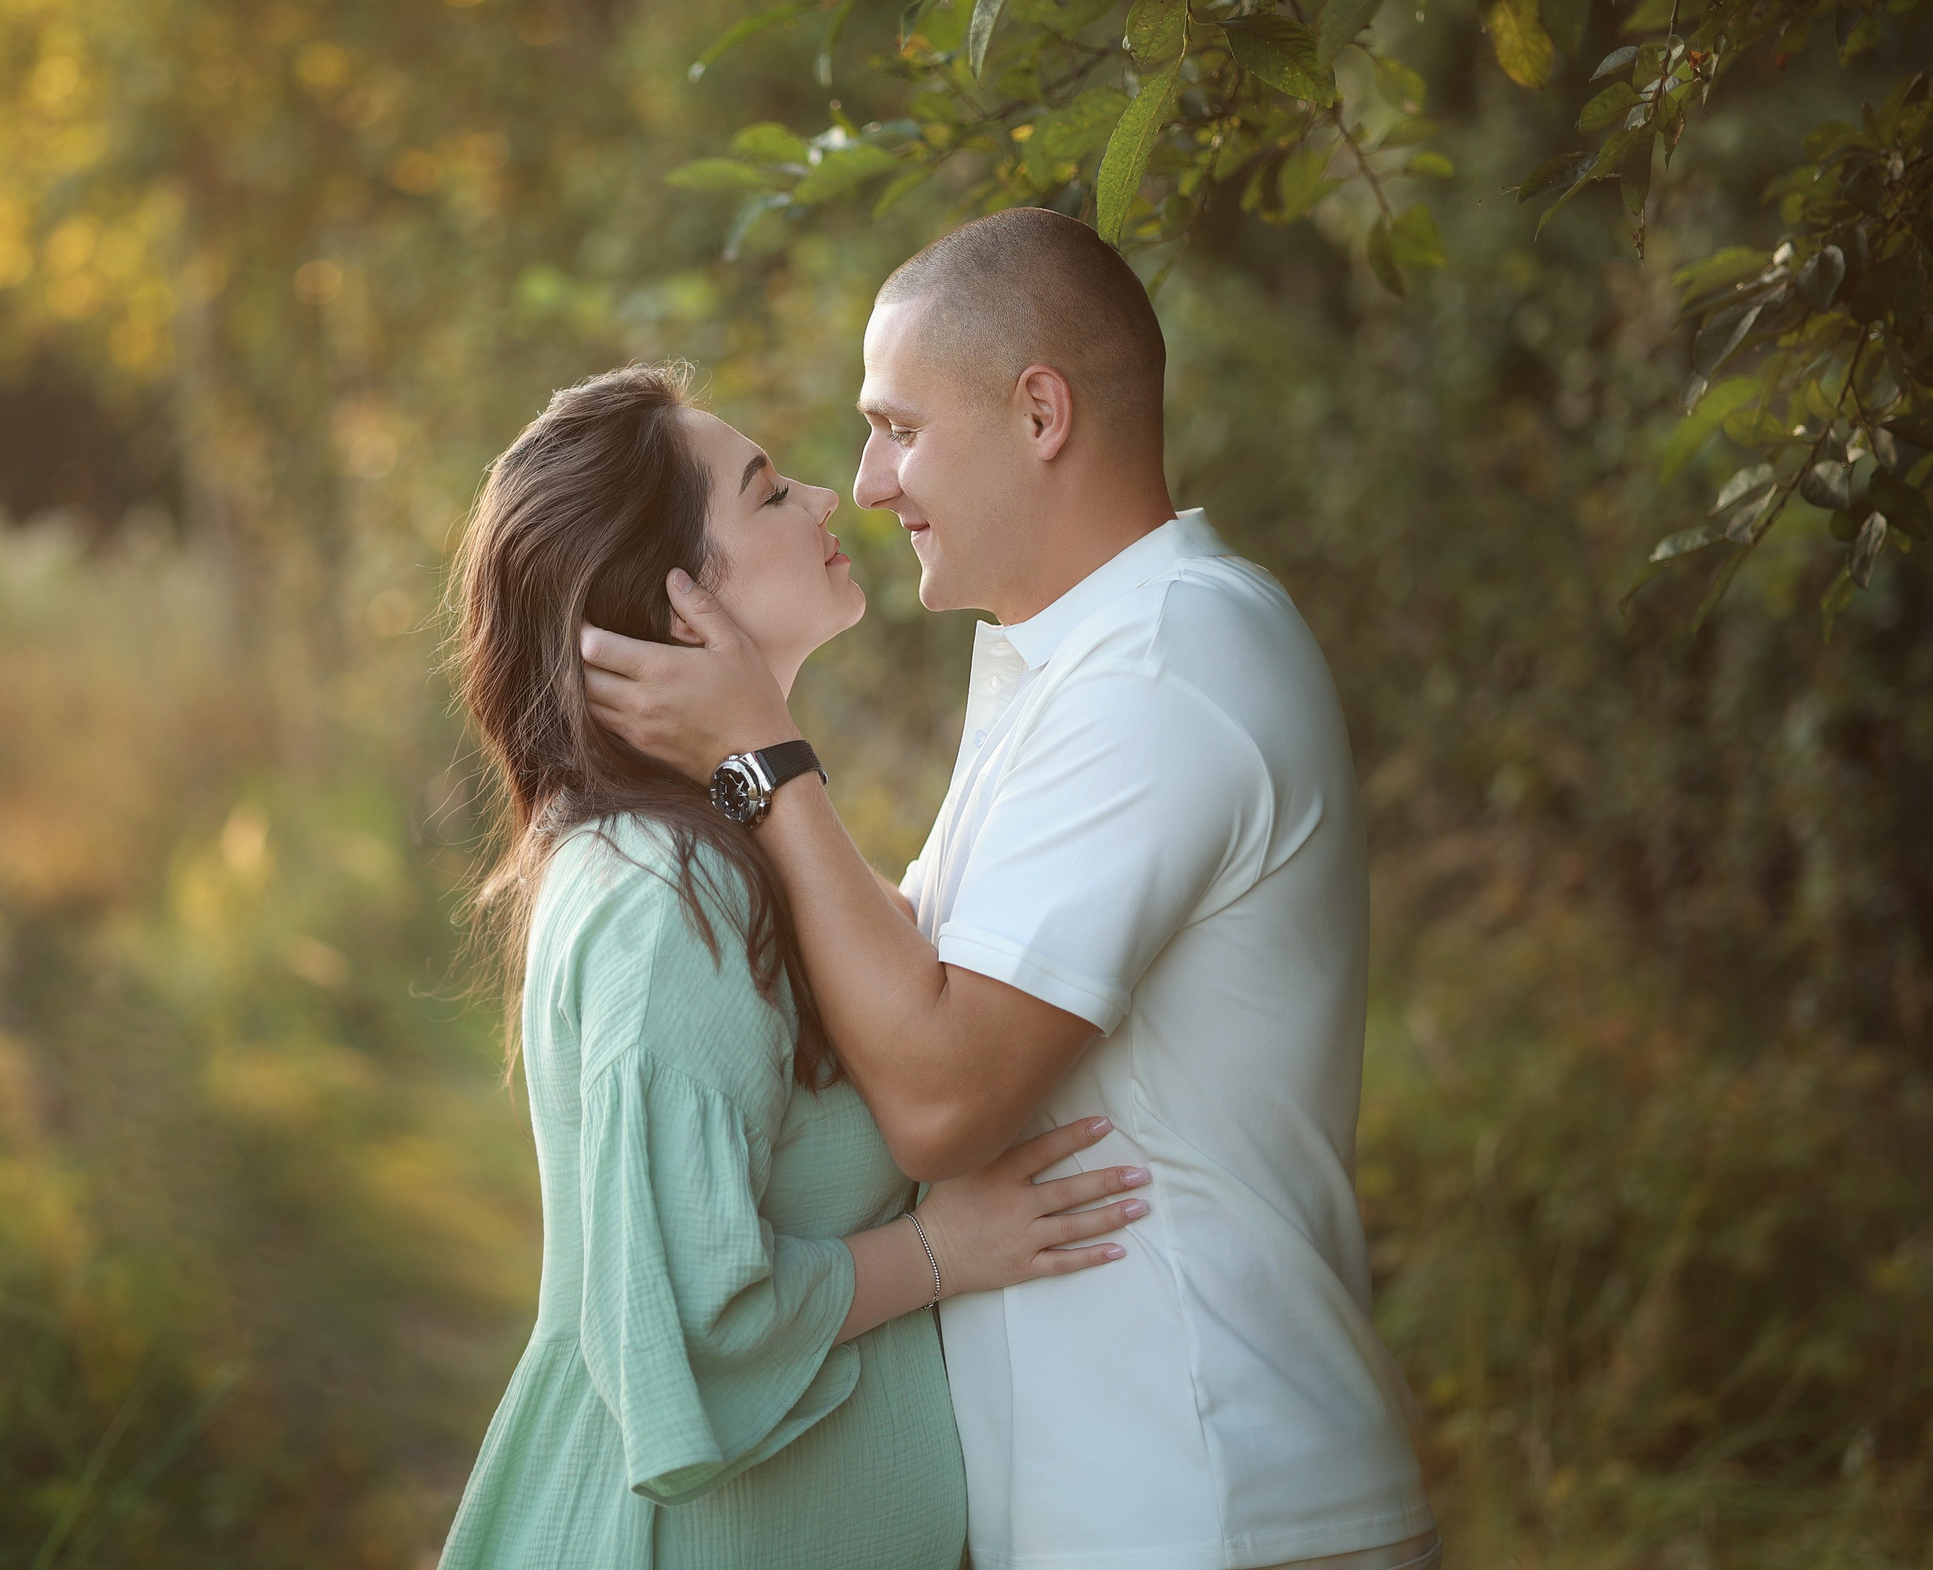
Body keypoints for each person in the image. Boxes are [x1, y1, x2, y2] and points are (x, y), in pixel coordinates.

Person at [580, 210, 1439, 1570]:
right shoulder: (1075, 668)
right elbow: (892, 975)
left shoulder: (1162, 672)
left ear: (1041, 411)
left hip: (1215, 1500)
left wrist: (764, 759)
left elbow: (936, 1092)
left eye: (900, 427)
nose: (867, 481)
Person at [438, 361, 1153, 1570]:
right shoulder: (667, 900)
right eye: (768, 493)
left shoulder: (736, 845)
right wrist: (938, 1253)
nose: (828, 497)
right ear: (676, 611)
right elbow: (685, 1330)